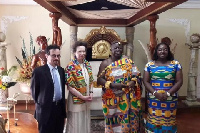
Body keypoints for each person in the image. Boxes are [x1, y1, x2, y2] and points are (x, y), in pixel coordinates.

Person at [97, 41, 142, 132]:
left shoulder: (128, 61)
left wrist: (132, 82)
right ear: (110, 50)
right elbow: (99, 79)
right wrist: (113, 85)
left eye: (120, 48)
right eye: (115, 48)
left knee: (127, 118)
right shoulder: (105, 63)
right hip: (112, 96)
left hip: (127, 95)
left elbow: (137, 75)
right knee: (113, 119)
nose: (118, 50)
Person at [143, 42, 183, 133]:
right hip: (154, 98)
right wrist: (155, 93)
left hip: (170, 98)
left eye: (165, 49)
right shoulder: (149, 65)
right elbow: (145, 81)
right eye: (160, 49)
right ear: (156, 51)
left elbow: (179, 81)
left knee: (169, 119)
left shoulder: (176, 64)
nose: (162, 51)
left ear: (168, 51)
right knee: (154, 118)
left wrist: (168, 93)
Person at [31, 45, 66, 133]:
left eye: (58, 56)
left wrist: (63, 112)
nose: (56, 58)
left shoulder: (61, 71)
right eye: (54, 55)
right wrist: (41, 105)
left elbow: (63, 90)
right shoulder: (38, 72)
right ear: (47, 56)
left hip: (59, 109)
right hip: (45, 110)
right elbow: (34, 92)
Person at [65, 41, 94, 133]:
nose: (82, 53)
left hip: (86, 99)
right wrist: (82, 97)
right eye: (79, 51)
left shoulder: (87, 64)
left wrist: (91, 93)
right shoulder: (70, 66)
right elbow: (70, 87)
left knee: (84, 120)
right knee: (75, 122)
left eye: (84, 51)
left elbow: (91, 81)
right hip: (76, 99)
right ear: (74, 52)